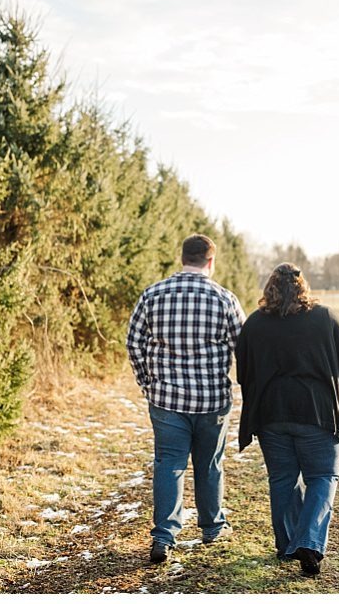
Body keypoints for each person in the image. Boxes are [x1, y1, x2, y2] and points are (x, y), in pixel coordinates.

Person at [126, 234, 246, 564]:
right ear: (210, 261)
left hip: (166, 400)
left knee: (169, 464)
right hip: (211, 401)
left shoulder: (152, 294)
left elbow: (134, 343)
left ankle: (164, 537)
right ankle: (212, 528)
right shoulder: (225, 299)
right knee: (209, 465)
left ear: (182, 258)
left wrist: (148, 383)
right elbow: (244, 348)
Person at [235, 263, 339, 577]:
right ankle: (309, 542)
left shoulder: (255, 324)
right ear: (304, 286)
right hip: (318, 412)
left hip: (271, 413)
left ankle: (290, 543)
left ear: (270, 287)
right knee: (322, 477)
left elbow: (243, 372)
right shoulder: (326, 318)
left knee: (283, 479)